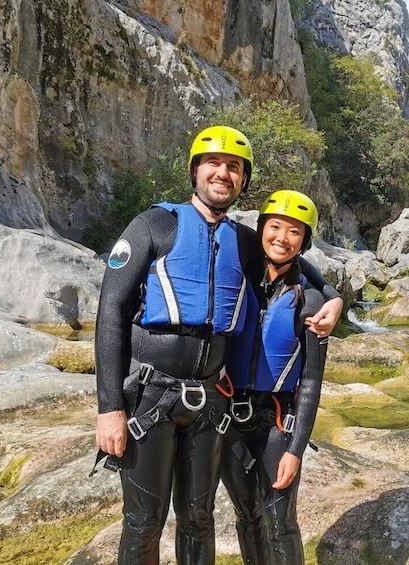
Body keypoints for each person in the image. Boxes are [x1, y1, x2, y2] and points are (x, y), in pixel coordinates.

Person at [93, 125, 343, 565]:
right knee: (143, 522)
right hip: (152, 396)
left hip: (210, 404)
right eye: (214, 163)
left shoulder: (244, 241)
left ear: (243, 180)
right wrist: (110, 407)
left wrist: (334, 295)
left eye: (234, 168)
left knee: (199, 519)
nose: (223, 174)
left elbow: (290, 258)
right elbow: (111, 312)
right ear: (195, 170)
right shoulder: (155, 224)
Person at [220, 190, 327, 564]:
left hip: (277, 421)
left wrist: (296, 449)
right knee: (246, 516)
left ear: (305, 241)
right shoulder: (236, 280)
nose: (282, 237)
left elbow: (312, 381)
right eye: (275, 226)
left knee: (280, 521)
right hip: (229, 418)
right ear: (261, 229)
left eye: (294, 232)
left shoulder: (309, 301)